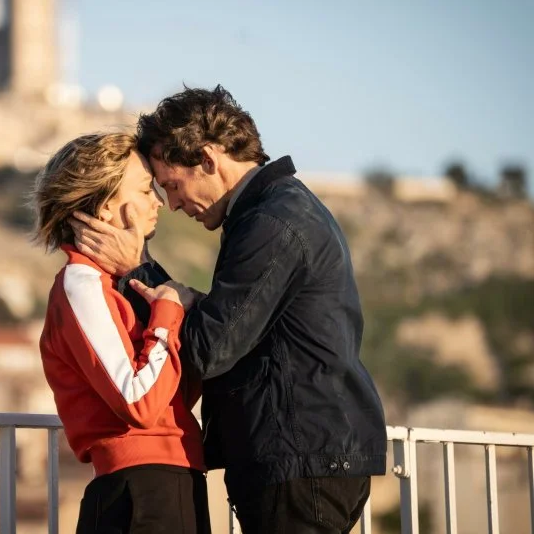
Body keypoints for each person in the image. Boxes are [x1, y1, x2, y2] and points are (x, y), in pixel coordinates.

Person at [70, 86, 387, 534]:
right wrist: (190, 300)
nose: (173, 204)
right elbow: (248, 327)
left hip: (299, 463)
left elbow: (208, 349)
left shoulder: (270, 223)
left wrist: (137, 268)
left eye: (172, 185)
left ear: (207, 159)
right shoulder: (276, 212)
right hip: (307, 459)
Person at [33, 131, 212, 534]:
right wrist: (169, 309)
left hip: (171, 481)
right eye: (146, 189)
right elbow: (139, 401)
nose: (158, 202)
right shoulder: (81, 284)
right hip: (140, 493)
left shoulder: (116, 286)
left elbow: (172, 390)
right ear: (105, 207)